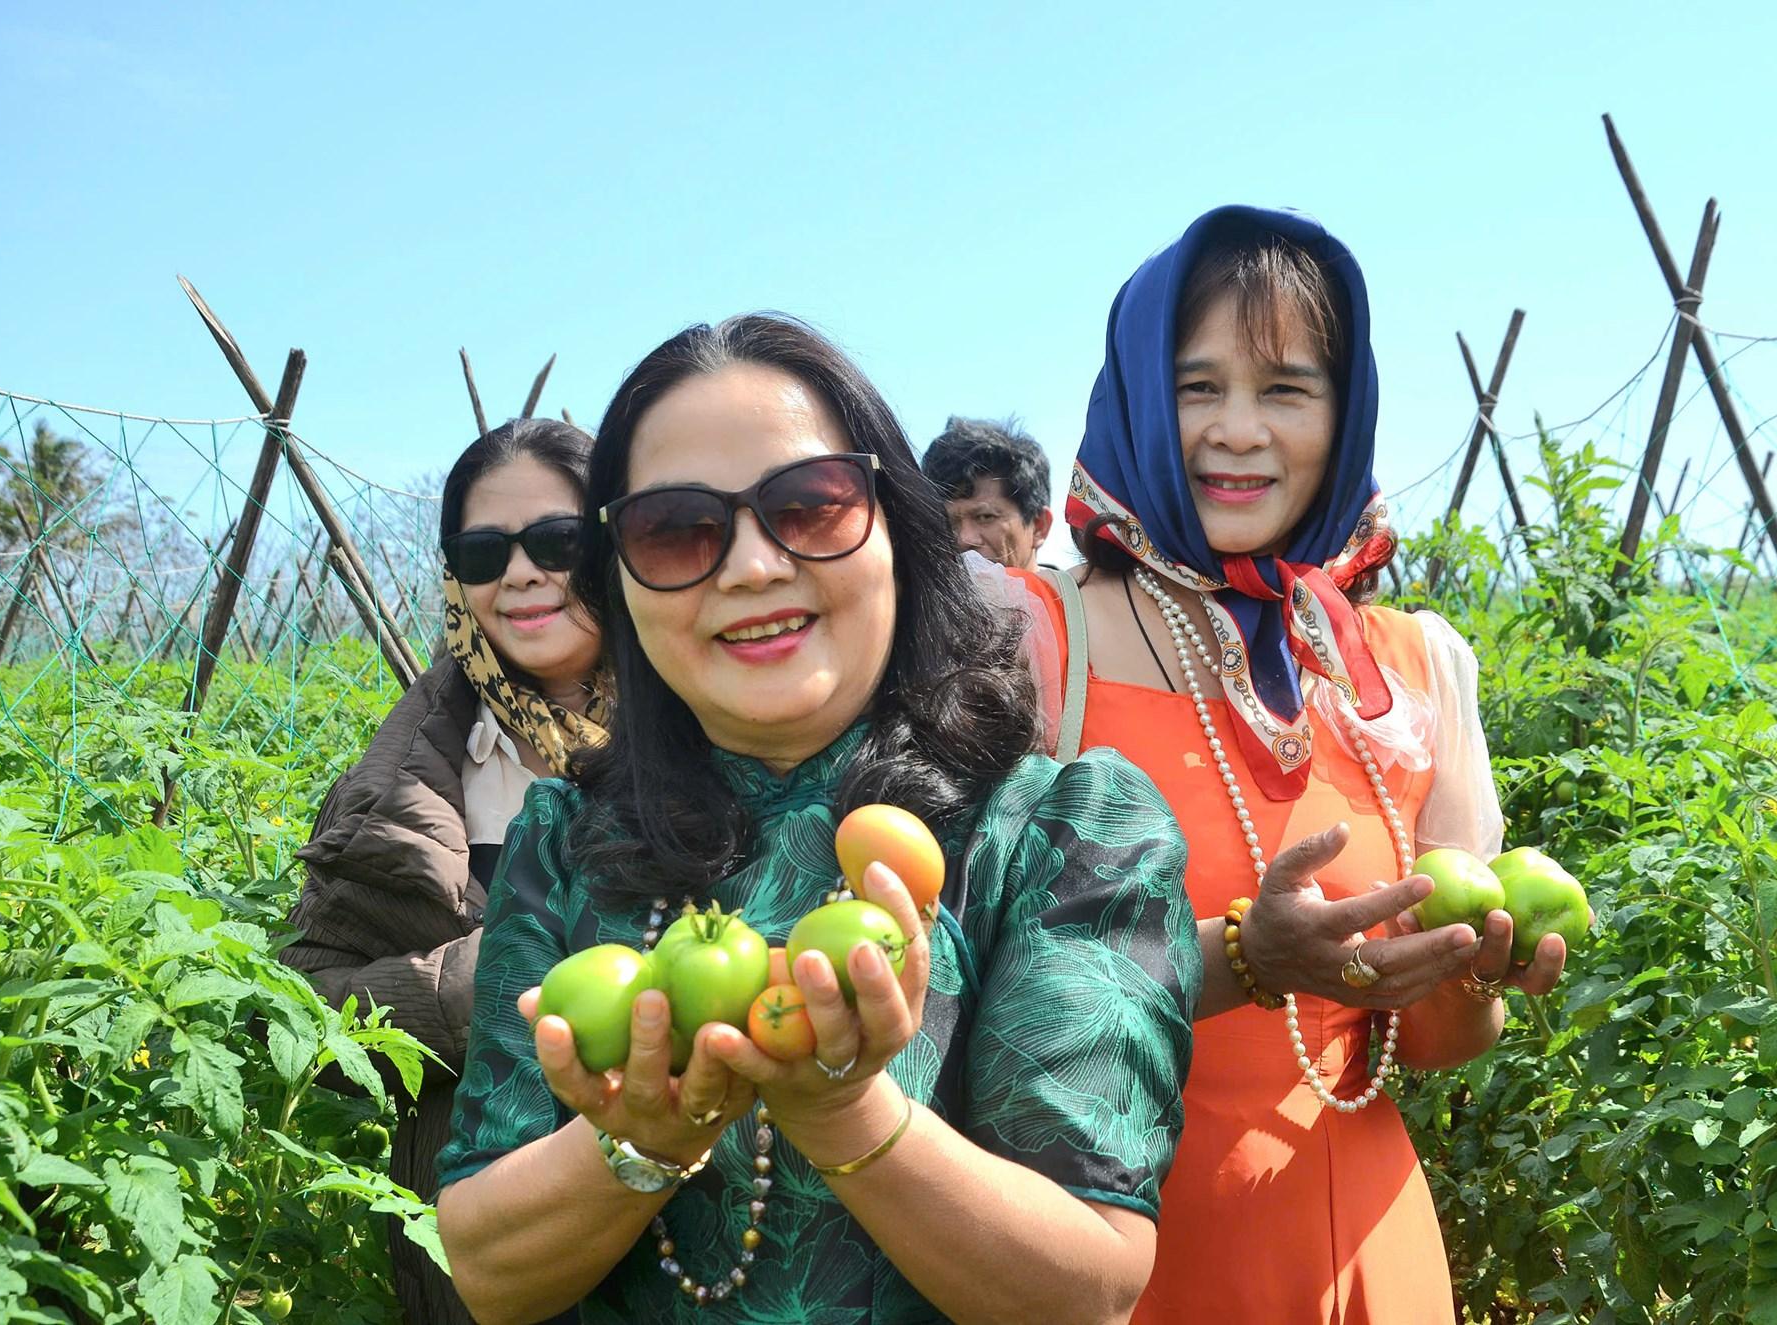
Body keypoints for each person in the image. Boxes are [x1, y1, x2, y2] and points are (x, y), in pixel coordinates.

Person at [434, 314, 1200, 1324]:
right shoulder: (568, 842)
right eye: (676, 528)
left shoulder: (1057, 831)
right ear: (619, 582)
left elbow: (1086, 1286)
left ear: (896, 533)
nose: (751, 566)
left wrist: (846, 1112)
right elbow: (488, 1271)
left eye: (811, 505)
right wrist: (642, 1140)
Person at [1021, 206, 1581, 1323]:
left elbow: (1436, 1049)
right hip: (1118, 1254)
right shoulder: (1037, 643)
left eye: (1285, 388)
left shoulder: (1410, 667)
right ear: (1135, 394)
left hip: (1369, 1246)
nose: (1239, 430)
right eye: (1195, 388)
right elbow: (980, 989)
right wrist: (1245, 955)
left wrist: (1469, 968)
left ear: (1345, 408)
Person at [285, 417, 610, 1325]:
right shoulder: (411, 773)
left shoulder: (715, 733)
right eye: (483, 550)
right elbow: (306, 1015)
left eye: (560, 540)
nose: (520, 574)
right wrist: (475, 989)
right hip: (479, 1242)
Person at [920, 415, 1054, 569]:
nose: (963, 540)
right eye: (948, 524)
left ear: (1039, 526)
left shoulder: (1078, 593)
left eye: (985, 517)